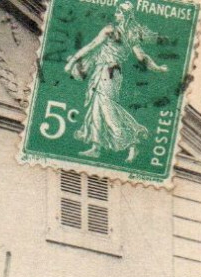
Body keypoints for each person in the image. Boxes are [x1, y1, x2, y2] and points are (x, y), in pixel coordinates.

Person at [65, 1, 168, 162]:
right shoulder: (125, 34)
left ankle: (132, 141)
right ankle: (96, 147)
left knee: (107, 107)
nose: (116, 14)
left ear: (125, 15)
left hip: (110, 71)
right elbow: (142, 58)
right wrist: (158, 68)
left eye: (119, 12)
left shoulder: (118, 32)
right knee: (96, 106)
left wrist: (158, 68)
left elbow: (141, 58)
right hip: (107, 71)